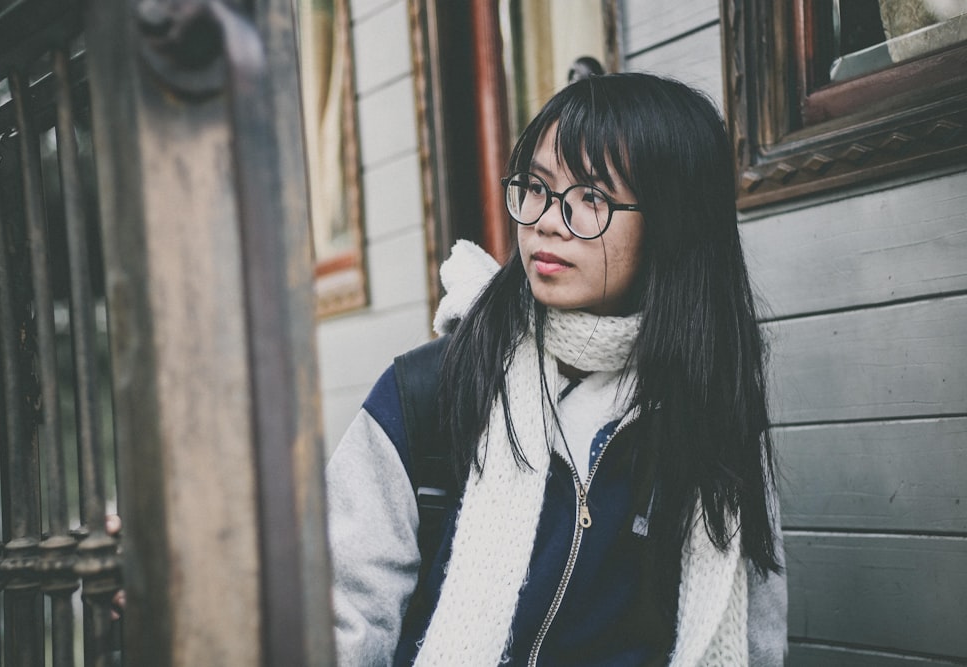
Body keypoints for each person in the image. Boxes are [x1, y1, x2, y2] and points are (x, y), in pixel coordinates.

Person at [326, 72, 787, 666]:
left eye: (591, 198)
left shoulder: (713, 412)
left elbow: (758, 639)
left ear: (671, 225)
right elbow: (343, 624)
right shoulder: (425, 396)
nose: (545, 220)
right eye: (537, 188)